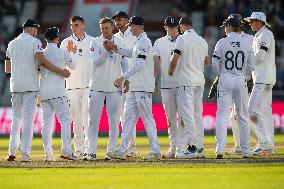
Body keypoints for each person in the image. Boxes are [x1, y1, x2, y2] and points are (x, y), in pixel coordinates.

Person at [5, 19, 70, 162]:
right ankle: (25, 154)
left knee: (16, 120)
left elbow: (7, 69)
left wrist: (21, 69)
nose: (37, 32)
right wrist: (60, 71)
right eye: (36, 30)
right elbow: (42, 62)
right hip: (30, 87)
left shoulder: (11, 43)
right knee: (28, 120)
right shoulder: (36, 43)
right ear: (32, 29)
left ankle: (11, 151)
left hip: (15, 87)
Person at [104, 16, 161, 160]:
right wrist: (115, 48)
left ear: (138, 27)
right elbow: (130, 53)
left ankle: (155, 150)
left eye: (131, 26)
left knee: (147, 118)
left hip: (142, 86)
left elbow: (140, 64)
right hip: (136, 86)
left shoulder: (144, 41)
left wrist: (123, 77)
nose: (130, 28)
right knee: (129, 119)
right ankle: (123, 149)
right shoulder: (138, 42)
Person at [83, 17, 128, 161]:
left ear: (112, 27)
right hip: (97, 86)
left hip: (114, 87)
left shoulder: (120, 42)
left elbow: (124, 62)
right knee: (93, 120)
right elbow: (95, 62)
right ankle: (91, 151)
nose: (104, 31)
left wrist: (127, 79)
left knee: (114, 121)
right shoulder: (95, 42)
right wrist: (106, 51)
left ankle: (111, 151)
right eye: (102, 28)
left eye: (106, 28)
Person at [212, 16, 254, 159]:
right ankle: (246, 150)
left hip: (225, 78)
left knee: (222, 116)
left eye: (226, 26)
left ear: (230, 26)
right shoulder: (248, 42)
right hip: (241, 79)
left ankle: (219, 149)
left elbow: (214, 65)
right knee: (243, 116)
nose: (224, 29)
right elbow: (251, 66)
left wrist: (221, 75)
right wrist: (245, 76)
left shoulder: (222, 42)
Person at [168, 17, 208, 158]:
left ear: (182, 26)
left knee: (187, 114)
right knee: (197, 114)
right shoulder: (202, 41)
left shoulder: (182, 39)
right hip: (199, 80)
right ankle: (200, 148)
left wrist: (171, 70)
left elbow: (174, 59)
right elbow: (206, 60)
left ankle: (191, 147)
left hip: (186, 81)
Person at [221, 14, 257, 155]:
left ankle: (262, 141)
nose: (225, 27)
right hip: (241, 80)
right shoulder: (248, 39)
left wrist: (250, 79)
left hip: (248, 81)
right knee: (235, 116)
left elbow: (253, 63)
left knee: (241, 115)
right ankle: (240, 146)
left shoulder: (250, 39)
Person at [40, 27, 77, 161]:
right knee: (65, 121)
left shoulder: (41, 53)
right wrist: (72, 53)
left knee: (46, 123)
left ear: (46, 39)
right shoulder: (62, 51)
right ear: (57, 38)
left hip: (44, 92)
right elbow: (73, 66)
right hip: (58, 92)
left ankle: (48, 153)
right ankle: (66, 150)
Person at [60, 16, 94, 159]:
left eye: (77, 25)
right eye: (73, 25)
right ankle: (79, 149)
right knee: (76, 120)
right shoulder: (65, 43)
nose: (75, 27)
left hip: (88, 85)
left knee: (87, 118)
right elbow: (61, 65)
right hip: (72, 86)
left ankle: (88, 148)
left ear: (83, 25)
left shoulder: (92, 41)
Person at [244, 12, 276, 155]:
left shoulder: (265, 35)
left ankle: (264, 143)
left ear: (260, 22)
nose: (250, 23)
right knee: (265, 113)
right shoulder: (260, 35)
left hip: (263, 79)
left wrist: (247, 62)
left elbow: (261, 57)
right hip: (263, 78)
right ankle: (269, 146)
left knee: (251, 111)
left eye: (252, 21)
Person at [153, 16, 179, 158]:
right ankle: (173, 147)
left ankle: (183, 146)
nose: (173, 30)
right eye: (170, 27)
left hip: (182, 84)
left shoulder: (183, 40)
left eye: (174, 27)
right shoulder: (159, 42)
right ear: (165, 27)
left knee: (183, 118)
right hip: (167, 85)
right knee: (170, 119)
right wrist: (154, 81)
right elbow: (156, 63)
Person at [112, 11, 137, 157]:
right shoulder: (114, 37)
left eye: (120, 19)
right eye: (116, 20)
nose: (117, 22)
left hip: (133, 80)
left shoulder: (134, 35)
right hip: (119, 81)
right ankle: (124, 147)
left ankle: (132, 148)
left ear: (127, 20)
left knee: (130, 116)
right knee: (122, 116)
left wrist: (128, 78)